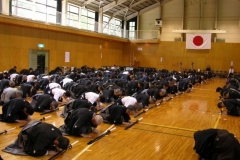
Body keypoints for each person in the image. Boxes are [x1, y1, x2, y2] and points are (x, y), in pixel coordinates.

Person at [2, 120, 70, 157]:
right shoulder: (44, 138)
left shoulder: (59, 133)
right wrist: (48, 152)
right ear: (56, 142)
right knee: (31, 150)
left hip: (38, 125)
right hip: (28, 130)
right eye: (58, 146)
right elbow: (36, 151)